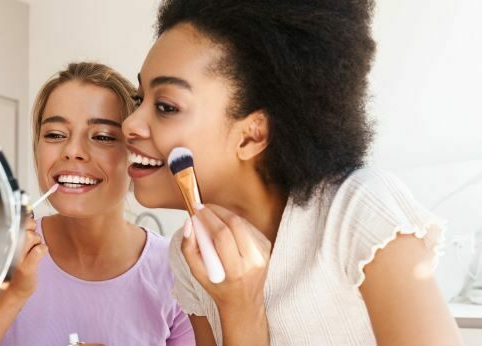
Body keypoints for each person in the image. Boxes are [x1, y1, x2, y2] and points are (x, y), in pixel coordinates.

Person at [121, 0, 463, 344]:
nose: (130, 124)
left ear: (252, 134)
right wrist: (239, 308)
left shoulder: (357, 213)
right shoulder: (191, 251)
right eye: (139, 100)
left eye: (166, 107)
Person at [0, 62, 194, 345]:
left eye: (102, 136)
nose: (73, 151)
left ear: (135, 152)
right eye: (55, 135)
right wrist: (12, 296)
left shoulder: (177, 272)